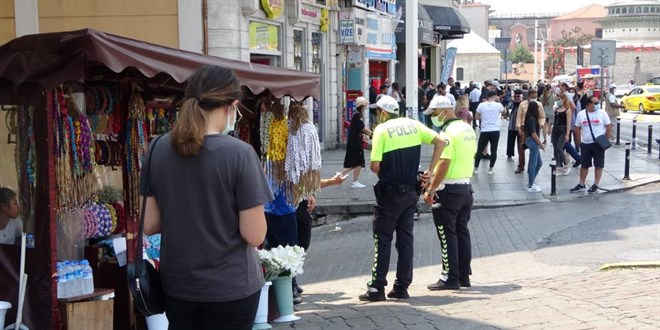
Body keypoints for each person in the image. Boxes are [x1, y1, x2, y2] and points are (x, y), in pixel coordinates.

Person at [141, 65, 273, 330]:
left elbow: (149, 224)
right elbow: (255, 235)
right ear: (231, 105)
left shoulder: (157, 148)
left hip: (178, 286)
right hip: (231, 287)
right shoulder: (240, 154)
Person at [359, 95, 446, 302]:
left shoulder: (381, 130)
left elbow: (374, 166)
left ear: (382, 113)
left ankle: (376, 287)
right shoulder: (413, 125)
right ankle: (402, 286)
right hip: (410, 193)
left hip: (389, 194)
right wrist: (429, 170)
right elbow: (440, 141)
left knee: (383, 239)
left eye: (376, 113)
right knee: (405, 240)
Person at [422, 95, 477, 291]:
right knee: (462, 232)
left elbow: (444, 163)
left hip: (449, 190)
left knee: (447, 234)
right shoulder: (467, 128)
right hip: (466, 188)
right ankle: (463, 275)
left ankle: (449, 276)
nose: (432, 118)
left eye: (434, 113)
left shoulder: (446, 134)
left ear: (445, 111)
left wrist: (431, 188)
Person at [570, 96, 612, 194]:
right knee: (584, 165)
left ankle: (596, 184)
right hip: (586, 143)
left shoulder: (602, 113)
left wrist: (606, 140)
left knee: (598, 165)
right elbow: (577, 128)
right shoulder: (581, 114)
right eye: (595, 103)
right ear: (588, 105)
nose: (597, 105)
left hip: (598, 144)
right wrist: (579, 143)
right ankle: (581, 184)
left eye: (598, 102)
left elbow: (608, 127)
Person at [343, 96, 372, 189]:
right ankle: (354, 182)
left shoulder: (357, 115)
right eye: (365, 104)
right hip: (355, 142)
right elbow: (362, 128)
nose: (367, 106)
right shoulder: (357, 115)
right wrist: (372, 133)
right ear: (362, 105)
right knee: (357, 162)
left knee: (354, 162)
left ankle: (340, 174)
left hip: (354, 141)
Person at [474, 91, 506, 175]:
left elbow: (476, 116)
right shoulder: (498, 105)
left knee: (480, 150)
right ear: (495, 96)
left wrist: (484, 119)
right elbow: (505, 113)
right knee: (494, 150)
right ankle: (490, 169)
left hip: (484, 130)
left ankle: (476, 168)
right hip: (495, 130)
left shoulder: (481, 105)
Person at [515, 89, 546, 174]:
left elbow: (542, 116)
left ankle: (531, 167)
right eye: (532, 97)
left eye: (535, 97)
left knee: (533, 148)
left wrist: (541, 124)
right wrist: (518, 127)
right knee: (521, 149)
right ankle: (521, 165)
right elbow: (519, 117)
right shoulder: (522, 104)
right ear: (528, 96)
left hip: (534, 128)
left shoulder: (539, 104)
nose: (534, 98)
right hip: (523, 128)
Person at [524, 102, 546, 192]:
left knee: (539, 163)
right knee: (533, 163)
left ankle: (531, 180)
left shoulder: (530, 118)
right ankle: (530, 184)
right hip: (532, 141)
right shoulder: (532, 119)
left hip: (531, 141)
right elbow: (533, 134)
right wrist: (540, 144)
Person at [552, 92, 575, 175]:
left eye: (560, 99)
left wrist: (567, 133)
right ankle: (558, 166)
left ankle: (566, 164)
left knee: (559, 148)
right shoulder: (557, 109)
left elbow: (568, 123)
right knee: (555, 148)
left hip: (563, 129)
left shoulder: (567, 110)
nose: (558, 100)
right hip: (555, 129)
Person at [506, 90, 524, 160]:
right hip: (512, 125)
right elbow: (508, 107)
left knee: (520, 142)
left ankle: (520, 153)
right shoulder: (512, 102)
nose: (516, 98)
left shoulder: (523, 103)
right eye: (515, 96)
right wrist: (513, 101)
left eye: (518, 96)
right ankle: (509, 154)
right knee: (510, 140)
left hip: (520, 126)